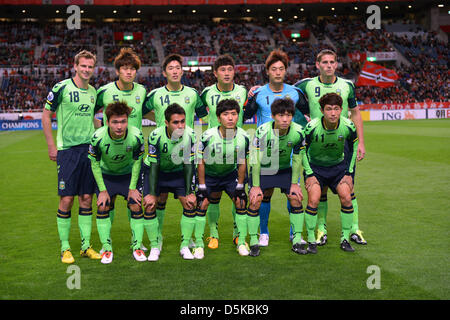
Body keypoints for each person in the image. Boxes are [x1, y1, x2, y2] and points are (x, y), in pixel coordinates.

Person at [295, 49, 366, 246]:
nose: (328, 65)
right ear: (317, 65)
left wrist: (360, 142)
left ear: (336, 64)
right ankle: (321, 230)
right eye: (324, 62)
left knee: (348, 187)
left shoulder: (347, 86)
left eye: (332, 62)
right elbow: (283, 90)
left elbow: (356, 113)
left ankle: (354, 229)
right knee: (320, 189)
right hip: (317, 141)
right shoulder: (307, 84)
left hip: (343, 140)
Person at [243, 49, 308, 247]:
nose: (278, 72)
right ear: (267, 71)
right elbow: (244, 115)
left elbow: (309, 116)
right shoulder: (259, 93)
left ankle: (293, 233)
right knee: (265, 194)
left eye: (281, 69)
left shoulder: (296, 93)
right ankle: (263, 232)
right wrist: (248, 96)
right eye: (274, 69)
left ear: (286, 71)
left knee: (293, 193)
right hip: (265, 154)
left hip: (289, 152)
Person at [42, 50, 101, 264]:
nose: (86, 70)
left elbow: (92, 118)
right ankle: (65, 248)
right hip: (67, 151)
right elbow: (46, 114)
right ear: (75, 66)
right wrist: (51, 145)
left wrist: (104, 129)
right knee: (66, 199)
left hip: (89, 151)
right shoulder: (61, 87)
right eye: (83, 66)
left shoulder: (93, 91)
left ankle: (86, 246)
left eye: (90, 66)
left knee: (86, 198)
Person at [143, 54, 207, 246]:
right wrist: (159, 124)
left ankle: (187, 239)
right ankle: (158, 237)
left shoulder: (193, 94)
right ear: (164, 72)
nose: (175, 71)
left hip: (185, 152)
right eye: (170, 68)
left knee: (188, 198)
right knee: (159, 198)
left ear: (182, 70)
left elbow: (204, 116)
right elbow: (142, 111)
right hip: (162, 151)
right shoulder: (155, 94)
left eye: (178, 67)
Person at [95, 47, 150, 250]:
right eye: (124, 68)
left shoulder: (142, 91)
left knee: (134, 200)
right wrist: (100, 135)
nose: (128, 72)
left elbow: (148, 113)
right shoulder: (104, 91)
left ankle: (137, 242)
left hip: (133, 157)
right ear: (117, 70)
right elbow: (91, 115)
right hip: (108, 158)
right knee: (106, 204)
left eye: (132, 69)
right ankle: (105, 244)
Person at [199, 54, 248, 249]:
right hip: (214, 149)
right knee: (214, 197)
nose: (227, 73)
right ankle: (213, 234)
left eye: (230, 70)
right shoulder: (206, 93)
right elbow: (201, 113)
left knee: (239, 197)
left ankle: (238, 234)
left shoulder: (243, 91)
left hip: (236, 147)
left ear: (234, 72)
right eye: (222, 70)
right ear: (215, 73)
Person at [88, 101, 145, 264]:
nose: (119, 126)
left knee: (135, 204)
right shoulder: (97, 137)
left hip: (128, 175)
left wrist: (133, 187)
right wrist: (103, 190)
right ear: (107, 122)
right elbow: (94, 164)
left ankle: (137, 246)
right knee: (103, 205)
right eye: (115, 122)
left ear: (128, 121)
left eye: (123, 121)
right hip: (106, 176)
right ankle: (106, 248)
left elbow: (137, 162)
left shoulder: (136, 136)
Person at [248, 98, 306, 256]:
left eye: (288, 115)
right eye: (281, 115)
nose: (285, 119)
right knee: (256, 199)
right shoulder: (262, 131)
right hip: (264, 169)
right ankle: (258, 237)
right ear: (273, 116)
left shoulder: (298, 131)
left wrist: (295, 183)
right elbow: (255, 160)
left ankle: (296, 238)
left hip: (284, 169)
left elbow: (297, 158)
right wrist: (255, 185)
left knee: (295, 197)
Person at [301, 93, 358, 252]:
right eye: (328, 109)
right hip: (316, 169)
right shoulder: (312, 127)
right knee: (313, 200)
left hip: (338, 168)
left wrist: (349, 172)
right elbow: (302, 150)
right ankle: (312, 240)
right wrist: (309, 173)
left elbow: (354, 148)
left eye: (336, 109)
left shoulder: (348, 125)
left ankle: (345, 239)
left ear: (341, 110)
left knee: (347, 197)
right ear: (321, 110)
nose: (332, 113)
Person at [142, 104, 197, 261]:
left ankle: (184, 245)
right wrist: (152, 194)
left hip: (178, 171)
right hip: (156, 172)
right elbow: (154, 166)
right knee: (151, 204)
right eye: (175, 122)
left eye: (182, 121)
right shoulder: (155, 136)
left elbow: (189, 165)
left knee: (189, 203)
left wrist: (189, 192)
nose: (180, 126)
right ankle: (155, 243)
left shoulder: (190, 135)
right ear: (166, 123)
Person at [196, 99, 250, 256]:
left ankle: (240, 240)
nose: (231, 118)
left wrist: (240, 186)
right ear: (219, 118)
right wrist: (202, 186)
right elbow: (201, 162)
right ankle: (204, 241)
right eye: (226, 114)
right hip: (210, 174)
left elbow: (242, 163)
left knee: (241, 201)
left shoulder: (243, 137)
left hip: (229, 174)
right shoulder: (208, 136)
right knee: (202, 203)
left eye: (234, 114)